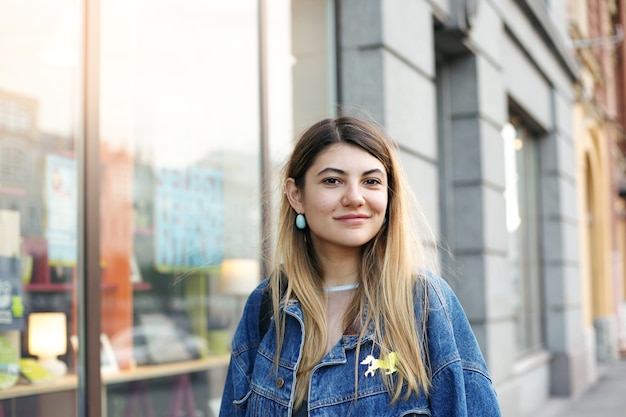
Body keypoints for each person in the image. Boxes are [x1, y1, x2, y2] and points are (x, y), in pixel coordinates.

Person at [219, 115, 502, 416]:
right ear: (296, 195)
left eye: (371, 181)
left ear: (388, 196)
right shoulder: (267, 306)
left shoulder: (424, 303)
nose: (354, 197)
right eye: (332, 180)